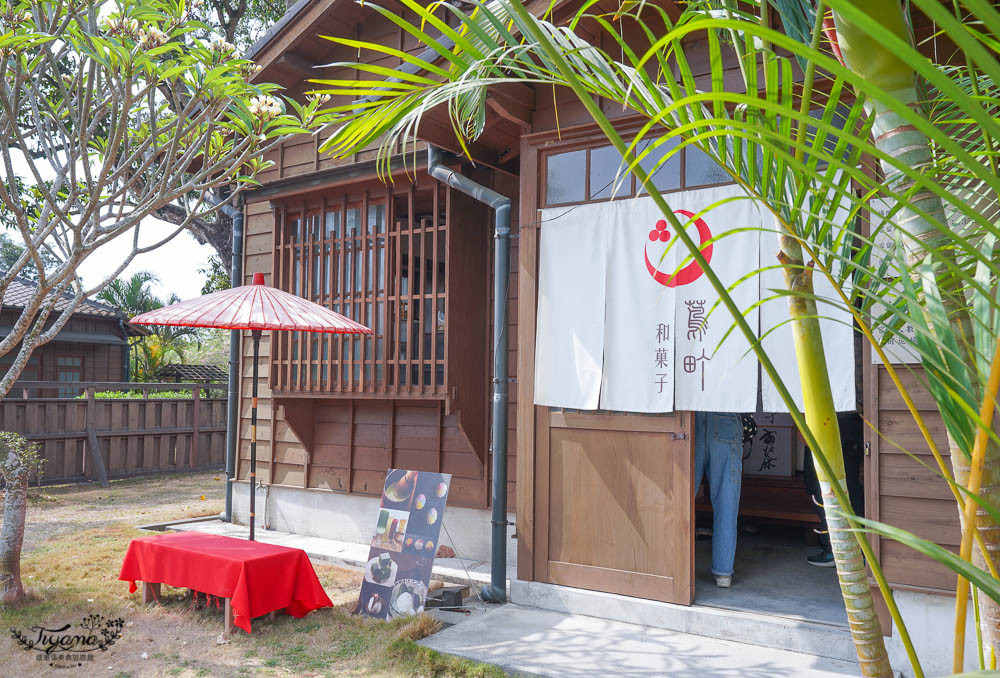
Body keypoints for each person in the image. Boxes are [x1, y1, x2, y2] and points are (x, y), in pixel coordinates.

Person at [801, 412, 865, 567]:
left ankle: (834, 551)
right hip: (849, 427)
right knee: (850, 490)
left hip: (826, 427)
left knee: (823, 490)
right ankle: (857, 551)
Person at [695, 412, 744, 588]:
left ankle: (672, 566)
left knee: (680, 504)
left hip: (690, 415)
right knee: (727, 505)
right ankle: (723, 573)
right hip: (726, 417)